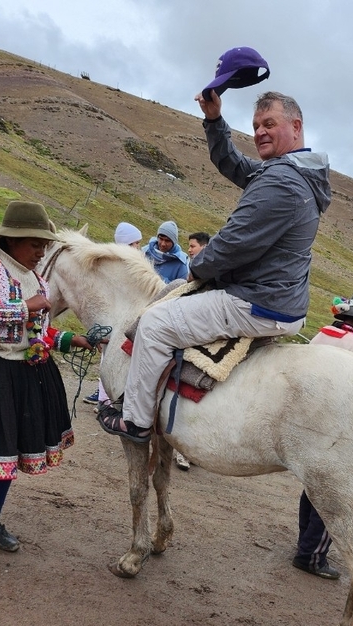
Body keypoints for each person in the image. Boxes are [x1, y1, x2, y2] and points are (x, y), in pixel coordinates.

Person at [98, 89, 330, 442]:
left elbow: (235, 240)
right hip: (280, 297)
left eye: (270, 124)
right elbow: (234, 164)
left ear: (296, 127)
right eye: (256, 126)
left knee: (154, 324)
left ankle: (136, 421)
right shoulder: (290, 172)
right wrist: (214, 120)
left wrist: (198, 267)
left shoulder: (282, 181)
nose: (260, 132)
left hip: (256, 300)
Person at [0, 201, 99, 593]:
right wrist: (26, 307)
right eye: (34, 244)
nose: (41, 252)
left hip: (28, 375)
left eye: (43, 245)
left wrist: (71, 339)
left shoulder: (34, 278)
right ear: (10, 239)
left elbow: (36, 331)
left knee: (12, 458)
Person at [291, 291, 353, 580]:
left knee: (311, 486)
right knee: (332, 492)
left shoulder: (322, 335)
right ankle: (311, 555)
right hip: (337, 429)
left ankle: (304, 542)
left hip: (308, 422)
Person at [84, 222, 144, 405]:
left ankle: (112, 398)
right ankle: (105, 399)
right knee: (108, 358)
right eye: (135, 244)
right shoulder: (119, 267)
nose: (138, 248)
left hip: (127, 319)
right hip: (115, 319)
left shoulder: (133, 263)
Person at [171, 231, 214, 471]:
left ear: (205, 247)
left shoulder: (208, 266)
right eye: (188, 246)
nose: (189, 249)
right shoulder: (198, 264)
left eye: (193, 246)